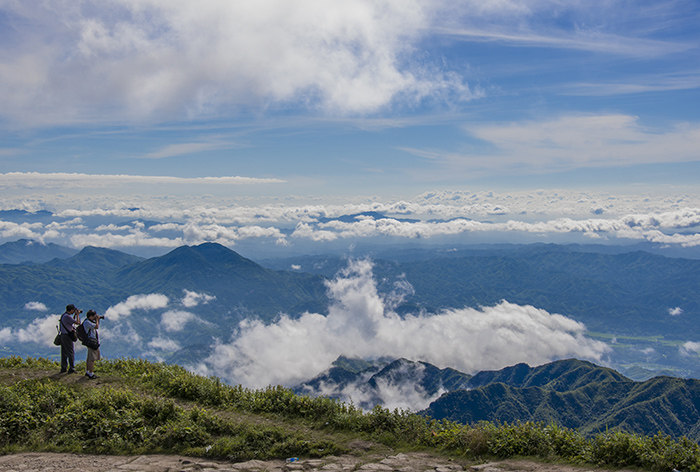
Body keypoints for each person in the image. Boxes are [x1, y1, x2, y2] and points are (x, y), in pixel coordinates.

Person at [59, 304, 81, 374]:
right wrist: (77, 315)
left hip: (63, 335)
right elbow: (77, 322)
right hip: (67, 336)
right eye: (73, 310)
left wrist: (75, 315)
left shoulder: (64, 315)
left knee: (64, 352)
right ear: (71, 310)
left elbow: (72, 321)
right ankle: (71, 368)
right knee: (70, 352)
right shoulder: (67, 317)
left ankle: (64, 368)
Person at [82, 309, 102, 379]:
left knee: (89, 357)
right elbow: (96, 327)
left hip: (90, 341)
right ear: (90, 316)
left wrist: (97, 320)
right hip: (91, 341)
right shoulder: (87, 322)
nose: (95, 317)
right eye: (94, 316)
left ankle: (88, 371)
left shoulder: (88, 321)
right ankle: (91, 373)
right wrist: (97, 320)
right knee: (92, 358)